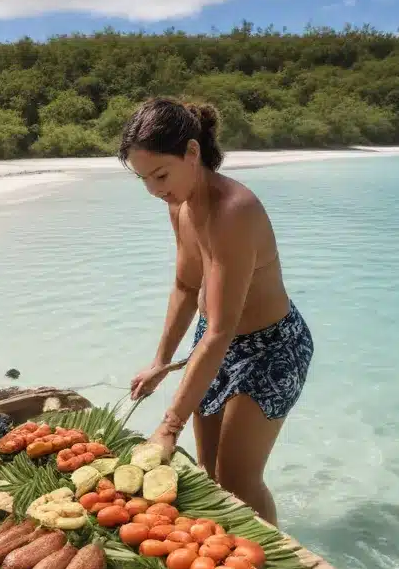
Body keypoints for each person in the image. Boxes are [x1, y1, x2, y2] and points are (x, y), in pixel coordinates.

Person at [121, 97, 313, 525]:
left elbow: (222, 330)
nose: (155, 189)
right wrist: (161, 362)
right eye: (144, 180)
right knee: (211, 475)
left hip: (271, 349)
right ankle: (231, 554)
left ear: (192, 152)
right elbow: (186, 286)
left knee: (239, 479)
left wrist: (169, 426)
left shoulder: (234, 211)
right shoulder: (179, 204)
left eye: (161, 174)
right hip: (213, 341)